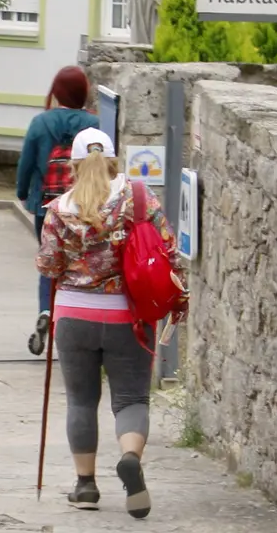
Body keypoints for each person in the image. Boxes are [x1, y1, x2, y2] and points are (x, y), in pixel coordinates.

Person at [36, 128, 183, 520]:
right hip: (127, 314)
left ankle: (85, 485)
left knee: (82, 400)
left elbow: (49, 265)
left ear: (74, 165)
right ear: (115, 161)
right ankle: (130, 457)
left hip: (74, 315)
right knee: (131, 399)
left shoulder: (60, 208)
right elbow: (167, 246)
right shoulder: (138, 198)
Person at [16, 66, 98, 355]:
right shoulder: (95, 125)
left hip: (46, 205)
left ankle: (46, 311)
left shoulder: (40, 123)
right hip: (84, 206)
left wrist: (23, 193)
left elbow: (26, 164)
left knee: (50, 261)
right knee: (80, 264)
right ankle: (73, 323)